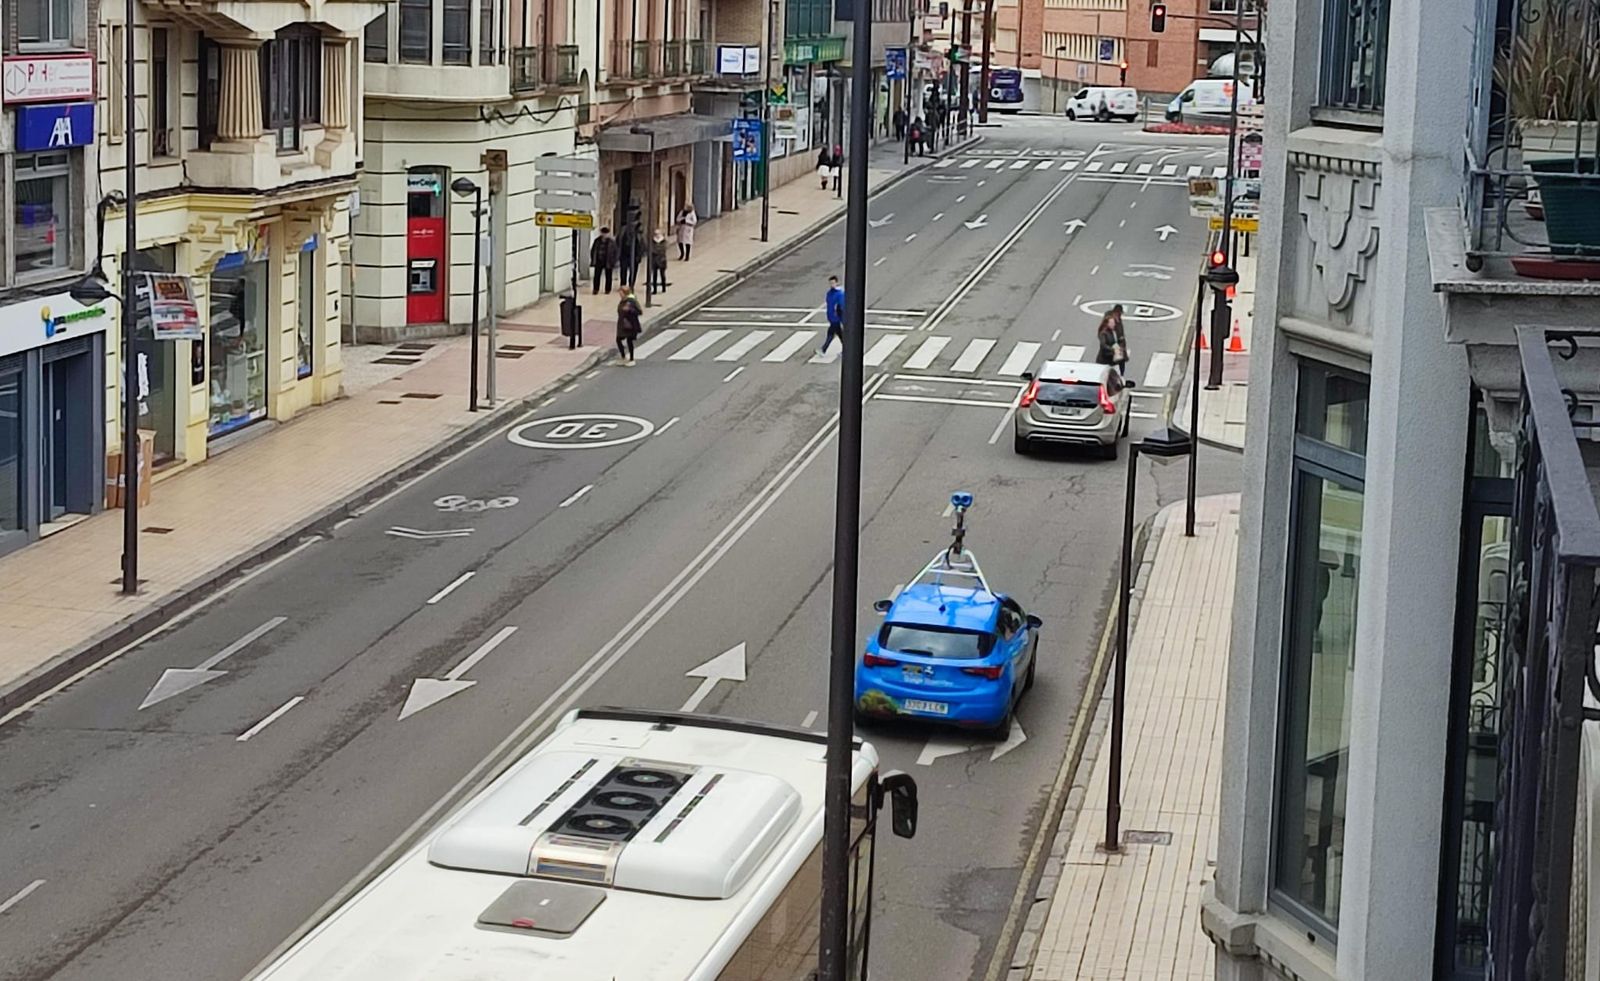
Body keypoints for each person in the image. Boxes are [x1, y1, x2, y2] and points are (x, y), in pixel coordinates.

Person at [818, 275, 846, 356]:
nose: (831, 284)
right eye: (830, 283)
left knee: (830, 333)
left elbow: (841, 306)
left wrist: (841, 317)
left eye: (833, 283)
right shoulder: (830, 293)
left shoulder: (840, 294)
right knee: (840, 334)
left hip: (835, 318)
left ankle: (823, 349)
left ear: (836, 283)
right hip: (831, 317)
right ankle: (846, 350)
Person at [616, 289, 642, 365]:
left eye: (621, 293)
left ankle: (631, 359)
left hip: (630, 324)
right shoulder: (622, 301)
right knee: (618, 339)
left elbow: (639, 312)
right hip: (622, 324)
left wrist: (630, 310)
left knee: (629, 341)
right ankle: (623, 357)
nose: (620, 295)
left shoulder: (631, 301)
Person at [1109, 303, 1133, 385]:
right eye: (1120, 313)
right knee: (1115, 362)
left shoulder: (1117, 320)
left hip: (1117, 345)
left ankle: (1119, 377)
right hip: (1114, 345)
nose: (1120, 315)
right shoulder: (1113, 321)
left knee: (1120, 362)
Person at [590, 227, 618, 295]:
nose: (604, 235)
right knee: (597, 276)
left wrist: (614, 261)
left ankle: (608, 289)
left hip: (608, 261)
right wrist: (593, 259)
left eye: (606, 233)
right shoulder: (597, 241)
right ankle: (595, 289)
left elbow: (616, 252)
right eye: (603, 233)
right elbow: (593, 250)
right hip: (599, 260)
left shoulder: (612, 242)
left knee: (608, 276)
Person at [648, 229, 669, 295]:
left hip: (662, 260)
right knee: (654, 275)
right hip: (654, 260)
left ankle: (663, 287)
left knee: (662, 274)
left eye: (658, 234)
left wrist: (656, 251)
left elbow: (664, 248)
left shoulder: (663, 241)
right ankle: (654, 289)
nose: (657, 235)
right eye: (655, 234)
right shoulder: (652, 241)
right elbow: (651, 249)